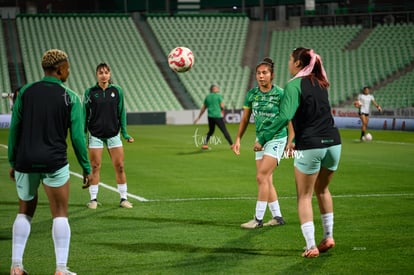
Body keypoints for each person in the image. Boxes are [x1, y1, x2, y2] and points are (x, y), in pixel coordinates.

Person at [8, 49, 92, 275]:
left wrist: (13, 161)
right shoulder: (71, 97)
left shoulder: (25, 92)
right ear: (60, 69)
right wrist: (86, 167)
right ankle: (60, 269)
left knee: (24, 211)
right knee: (60, 213)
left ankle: (16, 266)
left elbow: (15, 130)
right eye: (68, 68)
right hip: (54, 161)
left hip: (25, 160)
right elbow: (77, 138)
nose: (69, 71)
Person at [262, 47, 342, 257]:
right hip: (334, 143)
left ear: (298, 63)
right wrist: (293, 139)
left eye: (290, 59)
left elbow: (285, 115)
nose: (288, 63)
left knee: (304, 197)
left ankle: (310, 246)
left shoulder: (293, 85)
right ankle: (328, 236)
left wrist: (263, 136)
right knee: (323, 190)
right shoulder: (321, 83)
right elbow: (311, 115)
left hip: (310, 146)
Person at [232, 57, 289, 229]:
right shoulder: (251, 94)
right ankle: (277, 216)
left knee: (261, 177)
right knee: (266, 179)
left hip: (277, 138)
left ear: (272, 75)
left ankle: (257, 219)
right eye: (258, 73)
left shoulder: (280, 94)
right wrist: (238, 139)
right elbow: (245, 119)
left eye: (265, 73)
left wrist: (291, 141)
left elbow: (288, 119)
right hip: (260, 140)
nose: (261, 76)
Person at [83, 63, 134, 209]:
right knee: (95, 166)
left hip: (113, 134)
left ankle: (123, 198)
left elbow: (121, 113)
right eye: (100, 72)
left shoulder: (117, 91)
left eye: (106, 72)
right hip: (95, 134)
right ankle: (93, 199)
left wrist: (124, 133)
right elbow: (84, 115)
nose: (103, 75)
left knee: (120, 166)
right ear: (96, 75)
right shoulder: (90, 92)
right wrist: (82, 134)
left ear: (109, 74)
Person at [194, 84, 233, 149]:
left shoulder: (207, 97)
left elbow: (203, 108)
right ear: (214, 89)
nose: (218, 89)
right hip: (217, 116)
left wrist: (198, 118)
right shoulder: (218, 96)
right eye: (217, 88)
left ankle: (205, 144)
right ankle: (231, 144)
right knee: (224, 130)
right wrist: (222, 110)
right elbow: (222, 106)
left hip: (210, 117)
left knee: (211, 131)